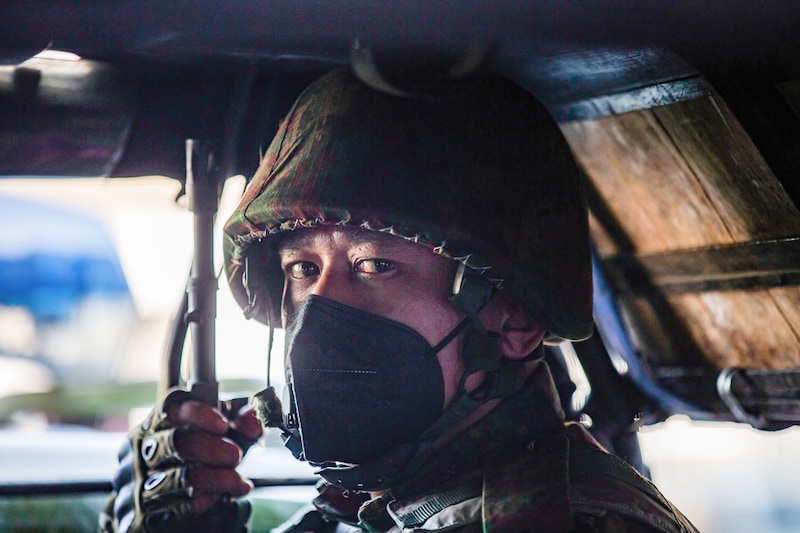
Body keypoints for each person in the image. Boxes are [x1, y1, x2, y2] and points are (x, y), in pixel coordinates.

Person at [101, 66, 699, 532]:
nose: (320, 307)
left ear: (514, 319)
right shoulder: (377, 509)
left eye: (375, 265)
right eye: (303, 268)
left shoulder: (574, 522)